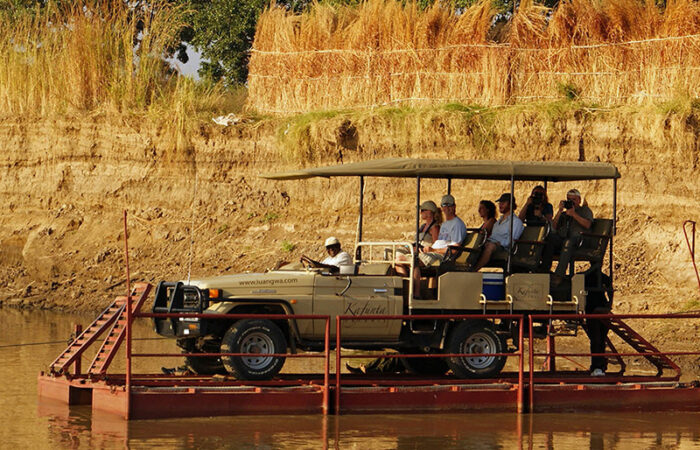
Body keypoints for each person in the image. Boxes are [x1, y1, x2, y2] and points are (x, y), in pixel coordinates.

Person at [410, 194, 467, 298]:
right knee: (405, 259)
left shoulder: (458, 224)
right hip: (435, 252)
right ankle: (411, 292)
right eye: (444, 205)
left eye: (449, 205)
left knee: (414, 260)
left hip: (445, 257)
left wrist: (433, 250)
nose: (447, 208)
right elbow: (439, 242)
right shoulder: (445, 224)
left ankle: (416, 296)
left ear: (454, 206)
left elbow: (454, 249)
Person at [541, 189, 594, 283]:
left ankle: (559, 275)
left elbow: (588, 224)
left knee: (568, 242)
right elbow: (554, 226)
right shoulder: (565, 214)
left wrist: (574, 214)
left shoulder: (584, 210)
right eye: (569, 199)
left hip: (580, 241)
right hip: (564, 239)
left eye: (573, 200)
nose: (571, 202)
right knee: (550, 238)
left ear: (579, 200)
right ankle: (543, 270)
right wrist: (559, 211)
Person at [472, 193, 525, 271]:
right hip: (491, 243)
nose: (500, 205)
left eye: (503, 203)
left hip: (503, 248)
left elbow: (511, 241)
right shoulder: (498, 222)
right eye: (500, 203)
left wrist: (498, 243)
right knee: (475, 243)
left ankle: (473, 270)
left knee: (490, 247)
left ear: (511, 204)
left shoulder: (516, 222)